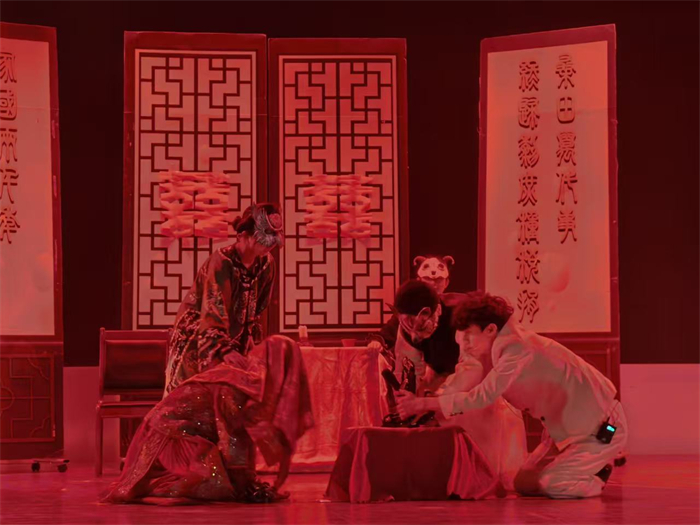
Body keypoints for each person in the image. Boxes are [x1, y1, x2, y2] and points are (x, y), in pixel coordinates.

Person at [396, 291, 628, 499]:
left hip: (604, 427)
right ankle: (583, 466)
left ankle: (597, 475)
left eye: (468, 337)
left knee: (554, 484)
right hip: (565, 432)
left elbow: (482, 396)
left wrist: (423, 404)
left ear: (490, 330)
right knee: (523, 484)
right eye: (461, 338)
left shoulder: (517, 348)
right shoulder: (496, 347)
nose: (464, 345)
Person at [101, 335, 314, 505]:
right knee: (212, 482)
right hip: (168, 437)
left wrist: (247, 479)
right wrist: (244, 483)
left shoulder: (246, 380)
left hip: (189, 436)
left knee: (224, 481)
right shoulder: (234, 382)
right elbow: (232, 436)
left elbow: (240, 434)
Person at [165, 203, 283, 394]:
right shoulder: (222, 261)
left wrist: (250, 336)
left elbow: (258, 308)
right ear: (244, 235)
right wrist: (222, 349)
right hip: (201, 334)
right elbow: (213, 308)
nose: (269, 245)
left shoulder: (267, 264)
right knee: (196, 395)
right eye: (263, 237)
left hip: (234, 335)